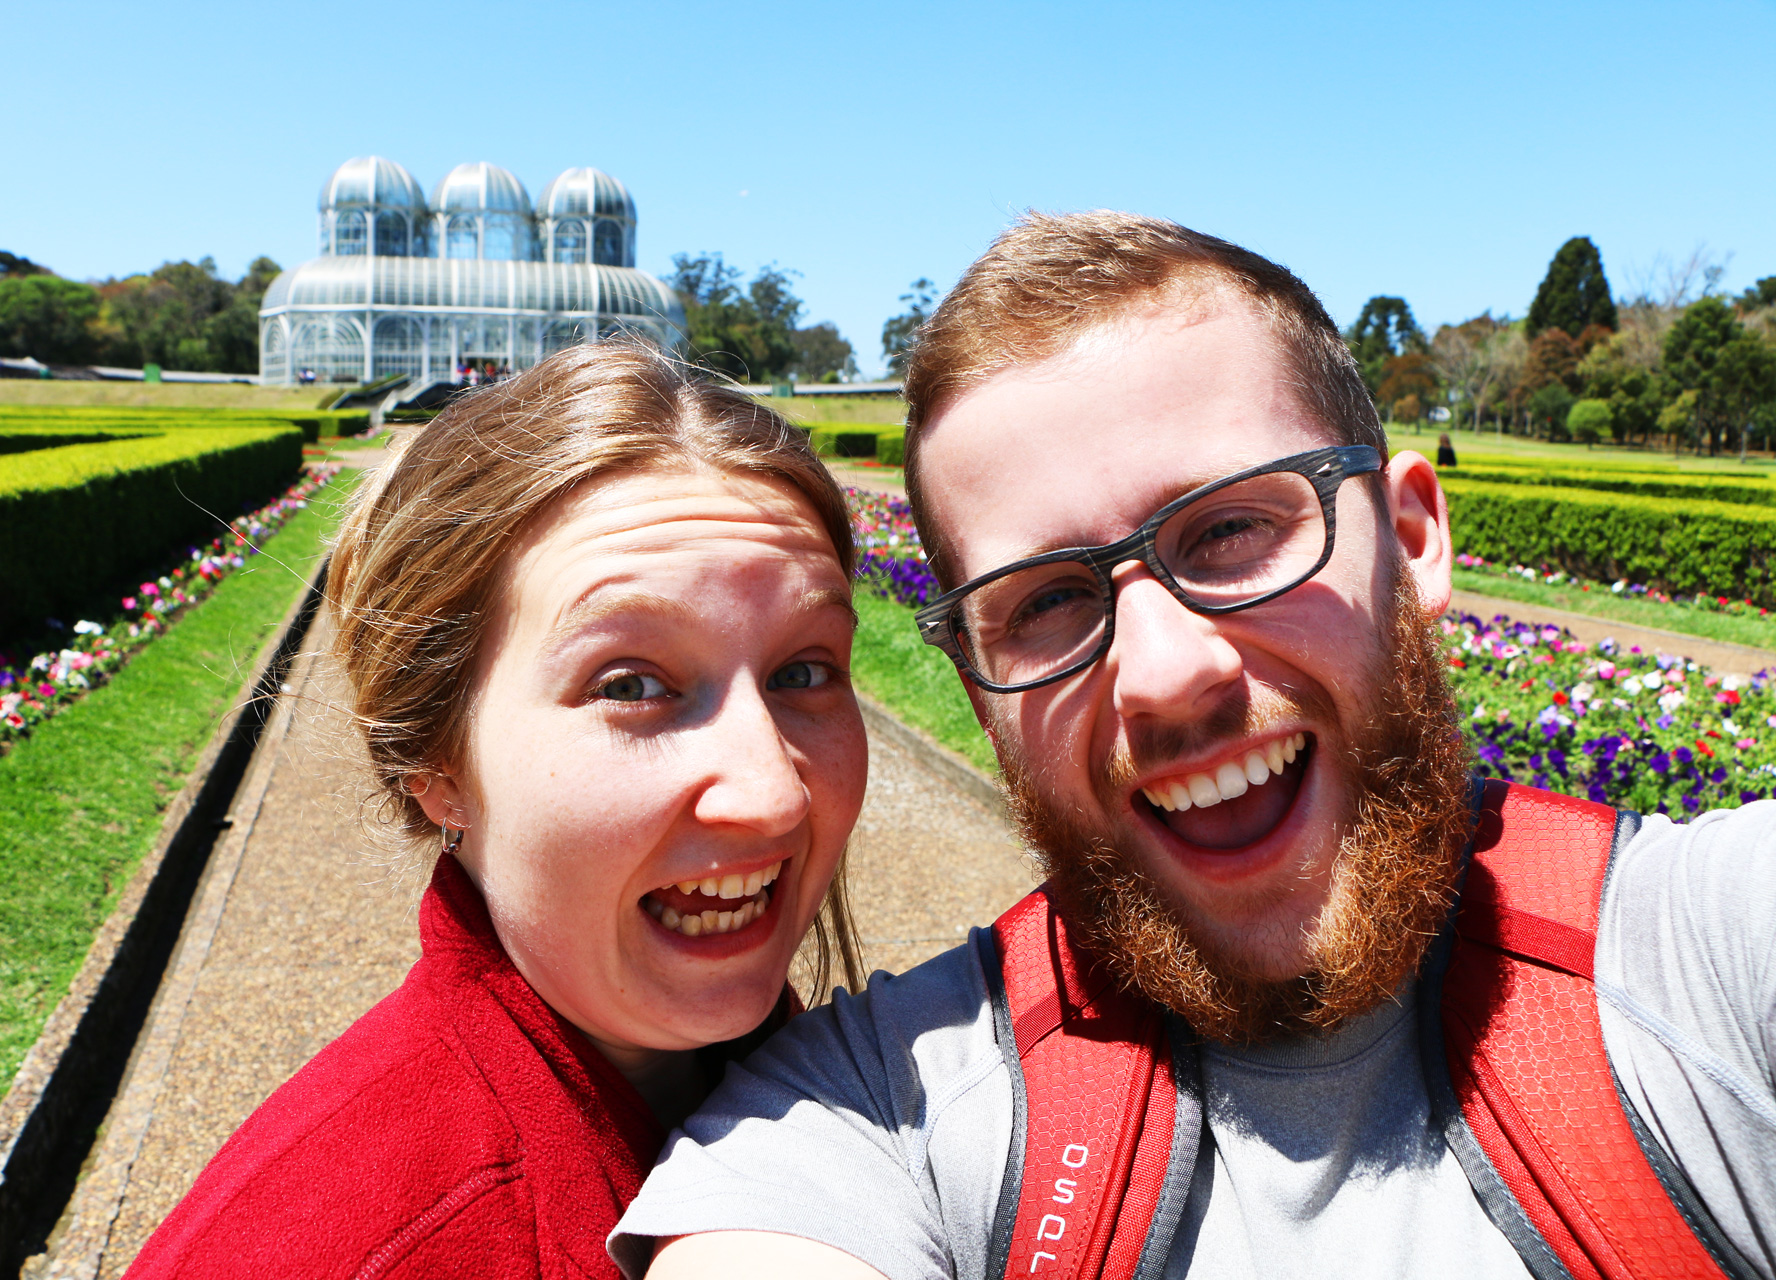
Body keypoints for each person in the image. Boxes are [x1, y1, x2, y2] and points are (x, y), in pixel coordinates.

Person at [612, 214, 1776, 1279]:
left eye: (1231, 528)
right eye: (1048, 599)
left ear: (1412, 539)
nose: (1168, 675)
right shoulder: (874, 1113)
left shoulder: (1715, 950)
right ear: (981, 691)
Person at [126, 341, 868, 1278]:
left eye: (804, 670)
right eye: (632, 682)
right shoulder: (344, 1245)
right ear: (434, 759)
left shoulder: (869, 1101)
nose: (772, 796)